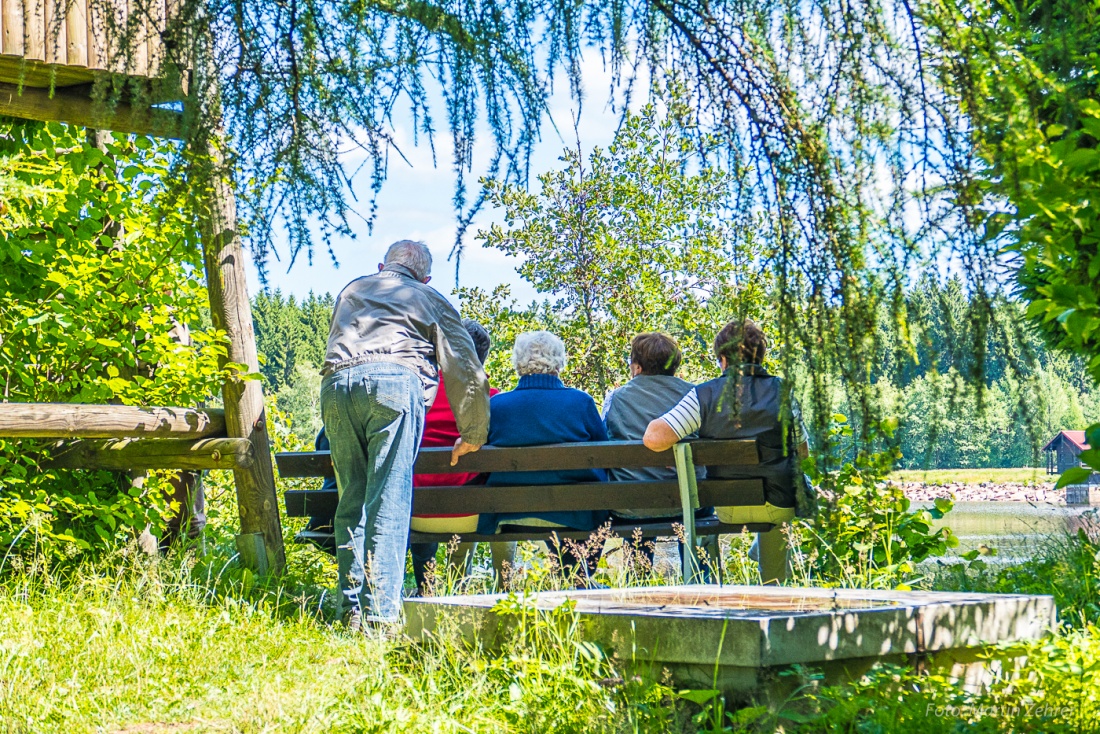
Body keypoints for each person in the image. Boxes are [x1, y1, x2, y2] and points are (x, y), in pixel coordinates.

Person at [321, 240, 491, 630]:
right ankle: (381, 615)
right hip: (394, 382)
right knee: (389, 498)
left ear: (383, 265)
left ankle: (349, 610)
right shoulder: (428, 296)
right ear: (426, 276)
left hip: (335, 385)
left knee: (353, 499)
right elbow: (464, 363)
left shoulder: (351, 289)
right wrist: (473, 432)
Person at [643, 319, 810, 584]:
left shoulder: (704, 395)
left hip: (729, 506)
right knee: (778, 511)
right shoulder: (784, 391)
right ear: (761, 356)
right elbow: (802, 453)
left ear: (723, 359)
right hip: (779, 504)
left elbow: (654, 439)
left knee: (760, 506)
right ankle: (774, 588)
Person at [476, 331, 610, 585]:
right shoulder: (580, 402)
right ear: (559, 363)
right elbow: (603, 454)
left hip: (508, 514)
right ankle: (578, 578)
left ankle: (568, 579)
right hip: (574, 514)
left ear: (518, 363)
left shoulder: (497, 405)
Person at [408, 319, 516, 593]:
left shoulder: (416, 393)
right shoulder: (491, 399)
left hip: (414, 512)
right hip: (472, 514)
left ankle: (435, 590)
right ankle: (504, 589)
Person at [602, 332, 710, 574]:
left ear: (637, 367)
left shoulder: (616, 399)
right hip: (688, 505)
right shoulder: (696, 396)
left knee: (636, 491)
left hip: (631, 507)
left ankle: (638, 579)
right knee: (692, 503)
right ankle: (699, 579)